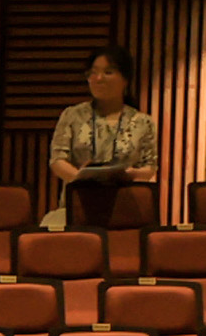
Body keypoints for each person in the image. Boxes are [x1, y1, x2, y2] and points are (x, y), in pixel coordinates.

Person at [48, 46, 157, 234]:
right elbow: (57, 160)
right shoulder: (72, 115)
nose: (98, 79)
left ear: (125, 79)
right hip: (77, 206)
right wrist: (80, 180)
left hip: (124, 208)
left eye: (108, 72)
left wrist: (128, 174)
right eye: (93, 73)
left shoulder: (143, 121)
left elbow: (150, 166)